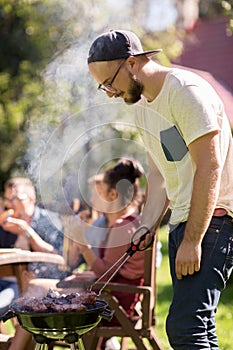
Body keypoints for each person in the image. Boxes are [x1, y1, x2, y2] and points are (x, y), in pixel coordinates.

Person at [87, 30, 233, 349]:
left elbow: (210, 165)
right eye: (103, 87)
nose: (109, 93)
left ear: (132, 63)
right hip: (183, 222)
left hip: (215, 221)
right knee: (196, 327)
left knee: (186, 327)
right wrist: (147, 224)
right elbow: (159, 174)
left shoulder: (186, 92)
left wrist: (194, 239)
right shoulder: (143, 108)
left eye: (110, 82)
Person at [71, 158, 145, 348]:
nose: (93, 199)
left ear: (112, 194)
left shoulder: (124, 226)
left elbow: (104, 272)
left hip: (114, 305)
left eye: (98, 193)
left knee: (46, 298)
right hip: (113, 298)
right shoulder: (124, 223)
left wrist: (82, 242)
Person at [0, 177, 65, 350]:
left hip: (36, 286)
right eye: (7, 200)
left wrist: (28, 233)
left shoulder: (48, 221)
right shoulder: (6, 223)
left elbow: (59, 258)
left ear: (31, 199)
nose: (10, 204)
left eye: (16, 199)